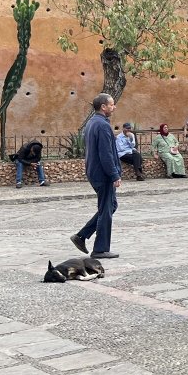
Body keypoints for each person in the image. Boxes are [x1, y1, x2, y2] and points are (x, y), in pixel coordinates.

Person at [71, 94, 121, 260]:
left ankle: (82, 235)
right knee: (106, 209)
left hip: (95, 171)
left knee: (111, 205)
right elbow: (106, 154)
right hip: (103, 174)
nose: (114, 107)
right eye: (111, 104)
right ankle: (100, 249)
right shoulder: (102, 125)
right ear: (103, 107)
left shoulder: (93, 122)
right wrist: (114, 174)